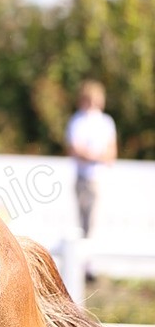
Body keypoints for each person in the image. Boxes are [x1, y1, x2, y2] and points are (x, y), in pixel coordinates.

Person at [65, 79, 117, 240]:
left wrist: (91, 156)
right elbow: (75, 150)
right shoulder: (77, 120)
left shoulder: (106, 122)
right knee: (83, 222)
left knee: (95, 222)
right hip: (82, 177)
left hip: (99, 179)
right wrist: (97, 156)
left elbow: (111, 154)